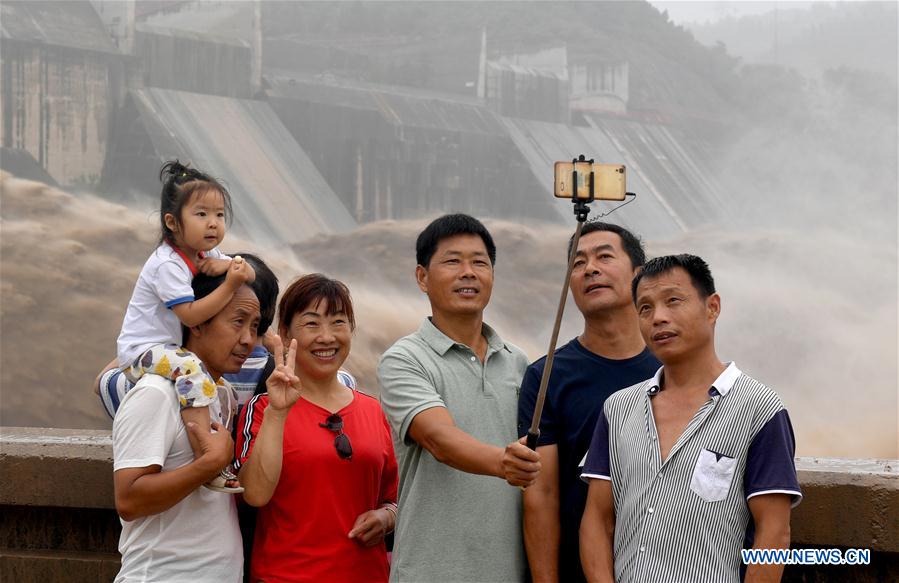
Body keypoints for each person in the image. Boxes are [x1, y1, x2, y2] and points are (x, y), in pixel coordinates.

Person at [580, 254, 802, 583]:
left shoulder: (760, 408)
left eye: (673, 301)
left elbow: (774, 534)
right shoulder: (618, 408)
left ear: (712, 308)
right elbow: (598, 520)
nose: (658, 318)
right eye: (645, 308)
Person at [378, 213, 541, 583]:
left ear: (492, 277)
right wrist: (504, 462)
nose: (468, 272)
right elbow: (439, 439)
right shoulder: (404, 358)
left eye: (479, 262)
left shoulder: (518, 362)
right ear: (422, 277)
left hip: (509, 571)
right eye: (453, 261)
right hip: (429, 571)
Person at [517, 222, 660, 582]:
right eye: (578, 263)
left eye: (604, 257)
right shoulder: (546, 375)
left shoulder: (673, 368)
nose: (590, 269)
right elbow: (542, 495)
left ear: (638, 275)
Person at [99, 160, 254, 492]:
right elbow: (191, 316)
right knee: (192, 367)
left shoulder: (203, 251)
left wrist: (231, 265)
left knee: (204, 376)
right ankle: (206, 454)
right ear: (172, 222)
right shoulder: (167, 264)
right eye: (201, 215)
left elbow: (248, 273)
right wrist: (228, 283)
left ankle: (207, 453)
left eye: (219, 215)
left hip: (167, 349)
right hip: (141, 352)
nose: (213, 224)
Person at [236, 274, 398, 583]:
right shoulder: (262, 409)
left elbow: (396, 497)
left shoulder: (374, 410)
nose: (326, 337)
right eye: (311, 324)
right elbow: (254, 494)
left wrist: (386, 518)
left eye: (338, 323)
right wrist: (278, 413)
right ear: (284, 334)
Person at [112, 272, 260, 582]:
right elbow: (129, 500)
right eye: (238, 322)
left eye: (255, 326)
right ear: (197, 321)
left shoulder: (220, 394)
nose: (248, 339)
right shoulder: (156, 393)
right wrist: (210, 464)